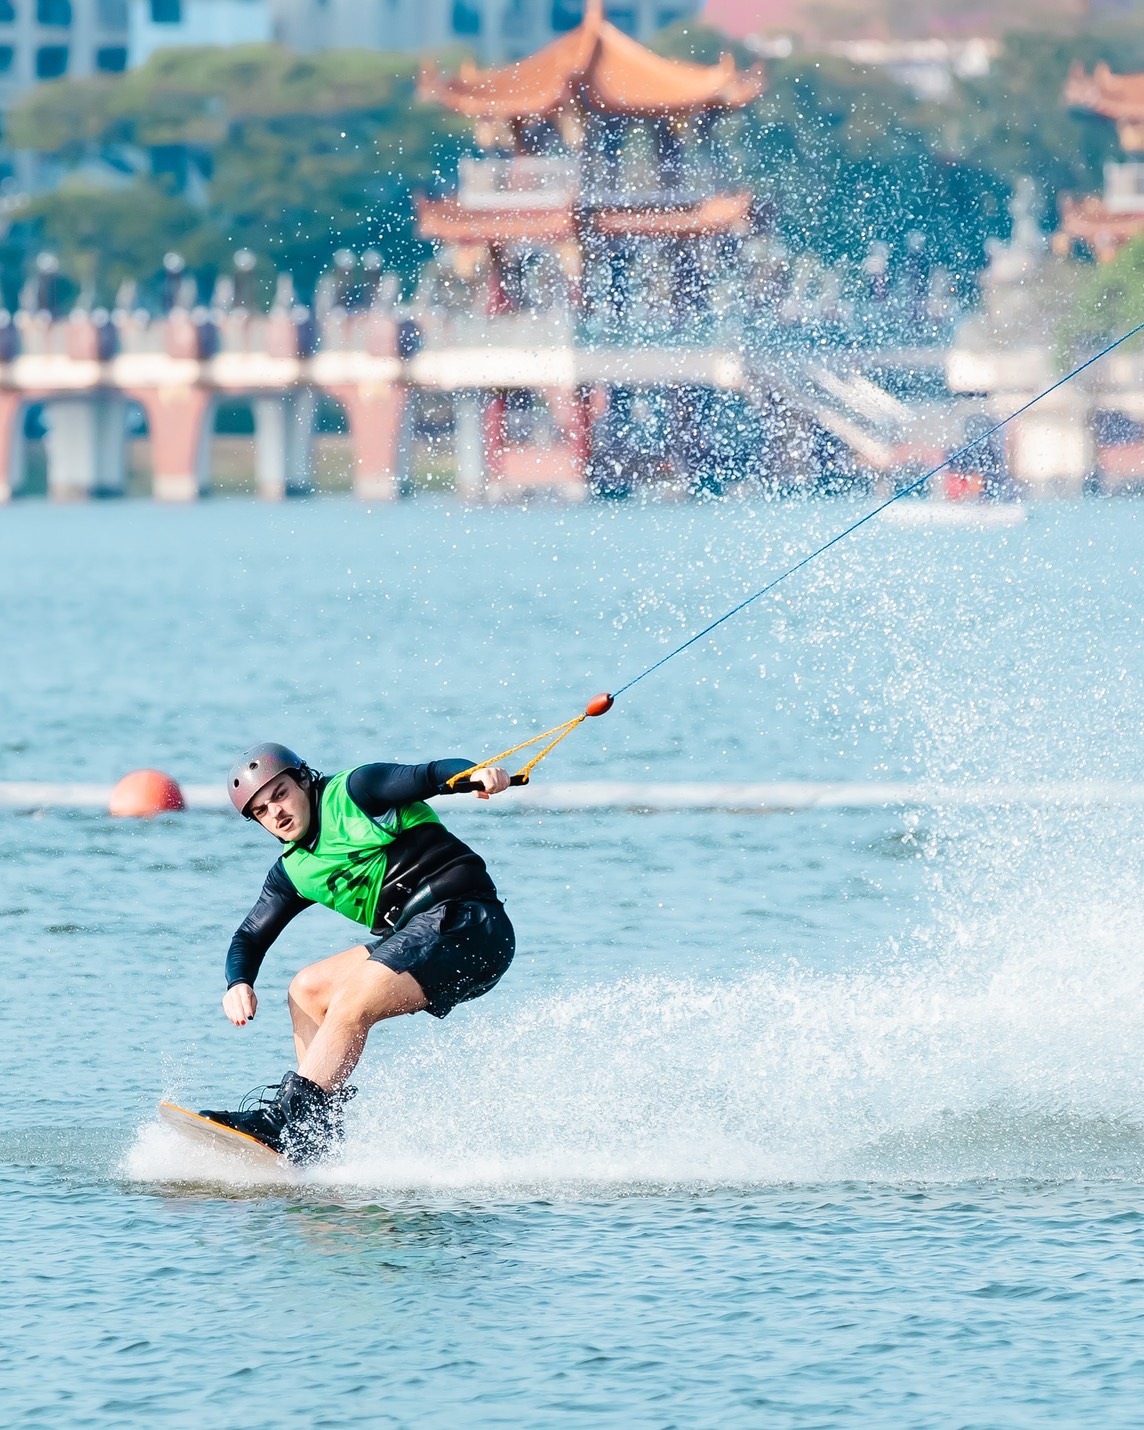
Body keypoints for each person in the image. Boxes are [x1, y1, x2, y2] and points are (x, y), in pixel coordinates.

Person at [200, 742, 515, 1163]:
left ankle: (287, 1121)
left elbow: (430, 774)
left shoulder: (357, 792)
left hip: (468, 922)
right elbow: (249, 936)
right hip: (420, 936)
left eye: (280, 794)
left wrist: (475, 774)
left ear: (303, 780)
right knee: (308, 989)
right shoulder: (293, 870)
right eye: (261, 811)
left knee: (352, 998)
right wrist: (238, 981)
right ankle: (315, 1137)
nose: (276, 812)